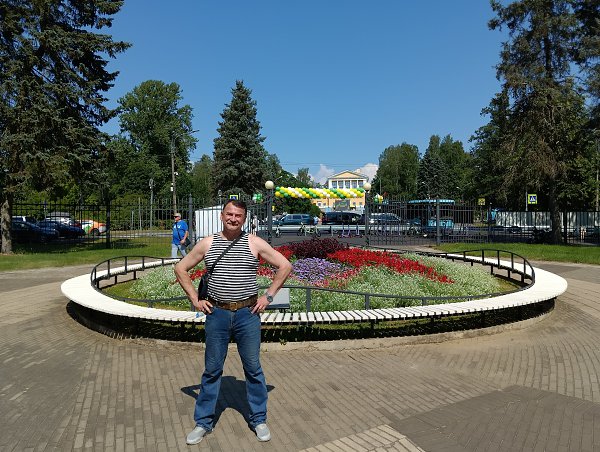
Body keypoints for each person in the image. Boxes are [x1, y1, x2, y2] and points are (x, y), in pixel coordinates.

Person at [174, 199, 292, 445]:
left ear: (244, 219)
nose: (233, 219)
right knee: (212, 370)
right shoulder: (208, 243)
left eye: (238, 215)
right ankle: (203, 422)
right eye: (229, 214)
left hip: (247, 315)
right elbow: (181, 268)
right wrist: (195, 299)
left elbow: (284, 265)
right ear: (221, 216)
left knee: (253, 369)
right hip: (217, 314)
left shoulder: (254, 242)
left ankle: (258, 419)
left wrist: (268, 297)